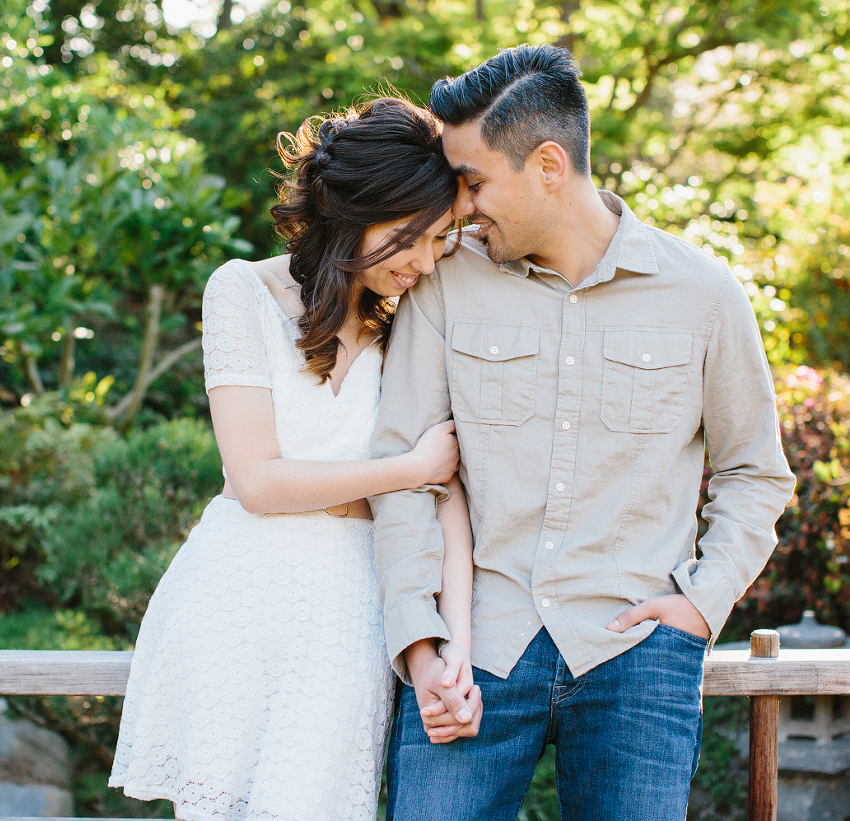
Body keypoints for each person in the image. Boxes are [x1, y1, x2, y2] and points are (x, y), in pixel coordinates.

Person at [368, 45, 797, 820]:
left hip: (634, 653)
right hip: (474, 648)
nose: (460, 206)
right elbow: (404, 469)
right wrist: (418, 641)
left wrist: (701, 606)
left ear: (548, 165)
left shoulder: (703, 294)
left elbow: (754, 474)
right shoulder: (446, 279)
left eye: (473, 182)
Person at [109, 96, 476, 821]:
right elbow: (257, 482)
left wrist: (453, 644)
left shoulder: (416, 318)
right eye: (412, 237)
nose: (426, 260)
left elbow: (450, 498)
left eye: (441, 239)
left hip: (348, 611)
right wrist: (408, 470)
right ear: (358, 212)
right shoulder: (240, 289)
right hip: (235, 596)